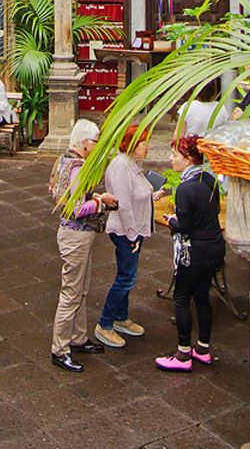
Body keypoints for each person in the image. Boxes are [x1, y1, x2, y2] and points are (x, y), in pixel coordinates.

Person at [49, 119, 118, 373]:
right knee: (71, 293)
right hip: (75, 235)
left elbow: (59, 192)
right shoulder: (77, 167)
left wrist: (96, 197)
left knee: (81, 288)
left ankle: (78, 338)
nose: (97, 145)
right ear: (83, 142)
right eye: (95, 140)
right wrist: (102, 204)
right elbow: (76, 208)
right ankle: (60, 348)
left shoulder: (63, 161)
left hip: (75, 234)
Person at [156, 134, 225, 373]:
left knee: (182, 298)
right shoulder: (208, 178)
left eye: (175, 155)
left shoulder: (186, 188)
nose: (171, 159)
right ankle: (203, 348)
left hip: (193, 251)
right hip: (214, 246)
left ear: (187, 159)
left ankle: (183, 353)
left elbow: (183, 225)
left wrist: (172, 221)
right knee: (202, 296)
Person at [94, 125, 154, 349]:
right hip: (125, 230)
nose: (146, 147)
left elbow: (139, 191)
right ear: (132, 144)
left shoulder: (132, 164)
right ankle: (105, 324)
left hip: (134, 228)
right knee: (126, 277)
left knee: (126, 274)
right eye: (142, 143)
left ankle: (121, 317)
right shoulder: (121, 167)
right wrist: (132, 236)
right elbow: (124, 205)